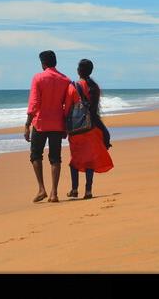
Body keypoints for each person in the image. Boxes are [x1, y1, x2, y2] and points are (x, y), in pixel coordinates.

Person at [24, 50, 71, 203]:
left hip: (40, 123)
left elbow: (34, 103)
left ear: (43, 63)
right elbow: (67, 105)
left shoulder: (38, 78)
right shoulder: (65, 79)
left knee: (36, 155)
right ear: (55, 62)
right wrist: (66, 126)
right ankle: (54, 193)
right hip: (57, 123)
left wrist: (27, 124)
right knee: (55, 158)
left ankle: (41, 188)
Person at [64, 59, 113, 199]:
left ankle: (74, 190)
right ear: (90, 71)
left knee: (75, 160)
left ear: (79, 70)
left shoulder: (72, 87)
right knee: (90, 160)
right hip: (91, 128)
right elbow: (94, 112)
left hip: (76, 130)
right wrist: (104, 131)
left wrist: (64, 127)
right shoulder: (95, 87)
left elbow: (67, 109)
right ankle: (88, 191)